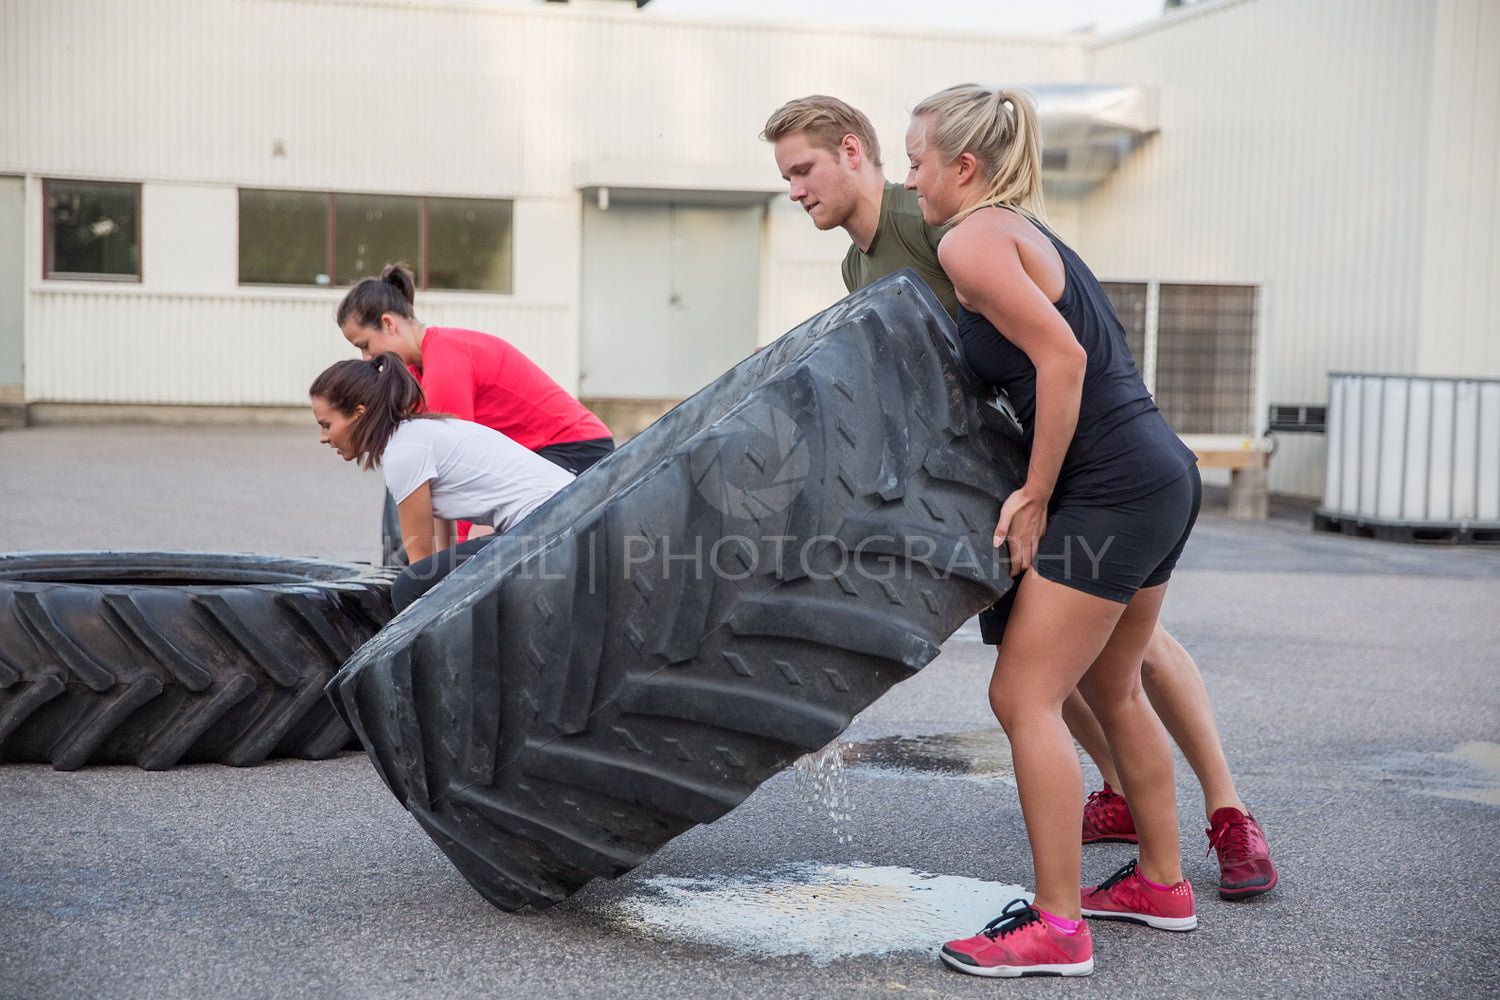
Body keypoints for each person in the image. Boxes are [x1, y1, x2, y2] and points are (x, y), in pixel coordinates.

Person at [763, 95, 1276, 907]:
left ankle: (1215, 822)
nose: (793, 189)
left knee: (1079, 675)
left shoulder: (947, 226)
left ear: (858, 153)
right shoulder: (870, 262)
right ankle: (1148, 858)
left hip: (1080, 469)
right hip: (1040, 475)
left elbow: (1061, 350)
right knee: (1083, 677)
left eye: (802, 169)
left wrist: (1039, 490)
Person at [337, 263, 613, 545]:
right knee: (471, 549)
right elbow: (434, 479)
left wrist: (457, 560)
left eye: (365, 345)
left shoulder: (443, 367)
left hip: (575, 448)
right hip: (534, 452)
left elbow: (465, 472)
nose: (366, 359)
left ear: (388, 324)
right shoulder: (416, 371)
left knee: (482, 542)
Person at [310, 353, 574, 612]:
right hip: (563, 512)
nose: (323, 437)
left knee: (407, 588)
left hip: (548, 524)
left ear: (358, 414)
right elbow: (438, 558)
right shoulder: (416, 432)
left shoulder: (402, 453)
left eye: (326, 424)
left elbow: (420, 564)